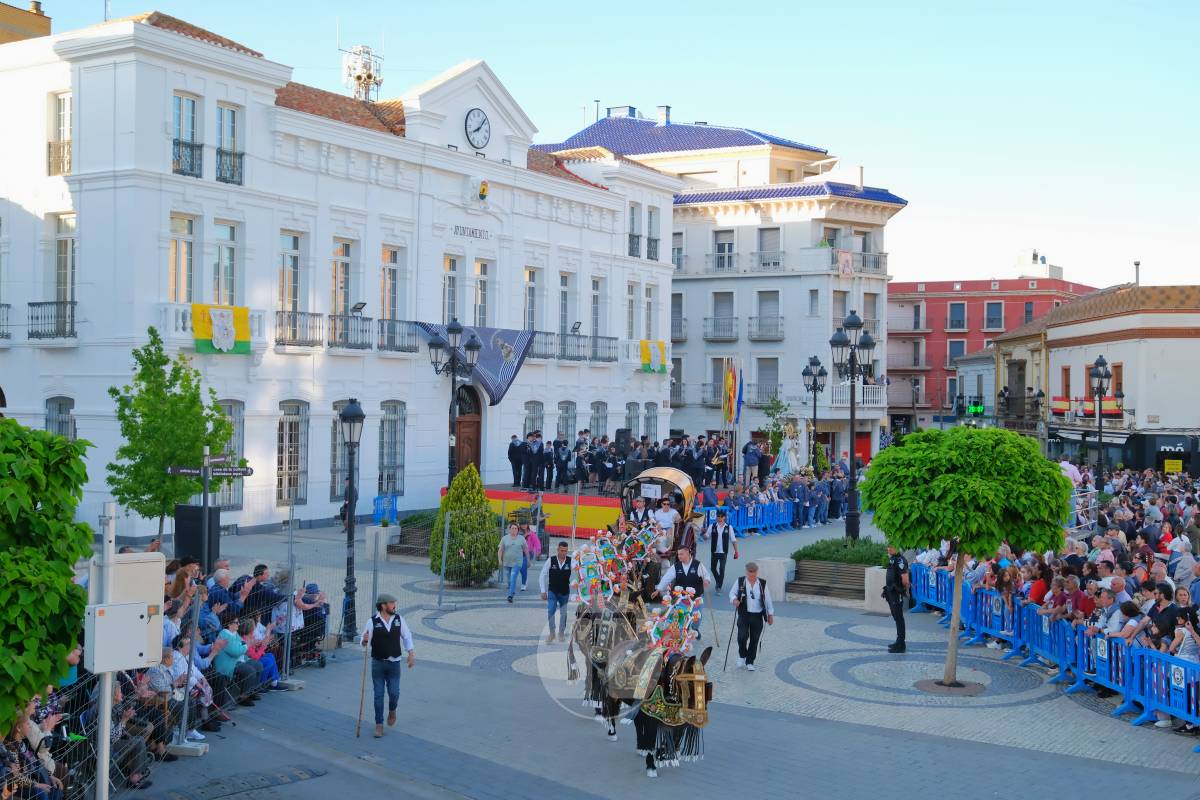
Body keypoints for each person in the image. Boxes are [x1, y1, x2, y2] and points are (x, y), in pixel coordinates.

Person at [359, 593, 415, 739]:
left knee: (394, 693)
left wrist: (411, 653)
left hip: (394, 664)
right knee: (378, 695)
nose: (394, 605)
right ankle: (379, 724)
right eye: (391, 603)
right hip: (378, 663)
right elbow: (364, 641)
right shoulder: (372, 621)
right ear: (383, 605)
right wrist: (364, 640)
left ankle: (392, 710)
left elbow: (407, 636)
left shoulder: (399, 619)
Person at [654, 547, 713, 639]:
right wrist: (658, 589)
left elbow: (706, 575)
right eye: (678, 554)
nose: (679, 556)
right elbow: (666, 578)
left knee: (697, 618)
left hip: (696, 598)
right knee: (681, 616)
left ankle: (695, 629)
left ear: (688, 554)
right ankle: (683, 632)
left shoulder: (698, 565)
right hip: (681, 598)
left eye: (681, 554)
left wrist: (706, 581)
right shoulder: (676, 566)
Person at [730, 562, 775, 671]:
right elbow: (732, 593)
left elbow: (768, 599)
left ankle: (750, 661)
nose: (752, 575)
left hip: (757, 615)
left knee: (754, 639)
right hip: (744, 614)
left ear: (757, 572)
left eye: (754, 573)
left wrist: (770, 614)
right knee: (742, 637)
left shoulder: (762, 583)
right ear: (746, 572)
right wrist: (734, 600)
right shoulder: (740, 581)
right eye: (750, 573)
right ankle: (742, 656)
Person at [539, 541, 572, 643]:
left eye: (565, 551)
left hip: (565, 591)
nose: (563, 553)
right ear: (557, 550)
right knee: (551, 611)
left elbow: (580, 571)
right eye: (562, 550)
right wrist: (543, 591)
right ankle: (552, 633)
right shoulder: (551, 560)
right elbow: (542, 575)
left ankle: (561, 632)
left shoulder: (571, 561)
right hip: (552, 591)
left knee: (563, 613)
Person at [705, 509, 739, 591]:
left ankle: (719, 586)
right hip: (714, 551)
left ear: (724, 517)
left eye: (721, 516)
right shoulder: (712, 526)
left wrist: (736, 552)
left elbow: (733, 540)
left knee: (722, 569)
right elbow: (706, 536)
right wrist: (704, 534)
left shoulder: (729, 527)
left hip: (723, 552)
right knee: (713, 568)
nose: (719, 518)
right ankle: (718, 581)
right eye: (718, 516)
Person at [884, 544, 909, 653]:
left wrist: (902, 590)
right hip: (890, 591)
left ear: (897, 548)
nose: (889, 549)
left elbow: (905, 578)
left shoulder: (900, 560)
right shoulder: (893, 559)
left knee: (899, 617)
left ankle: (901, 644)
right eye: (888, 546)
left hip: (896, 592)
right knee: (896, 616)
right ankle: (898, 642)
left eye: (891, 547)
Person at [497, 524, 529, 603]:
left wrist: (528, 560)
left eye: (515, 528)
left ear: (518, 530)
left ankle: (510, 595)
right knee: (509, 580)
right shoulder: (505, 538)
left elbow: (526, 550)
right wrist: (500, 560)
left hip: (517, 562)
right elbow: (500, 550)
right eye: (512, 528)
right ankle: (512, 589)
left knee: (513, 577)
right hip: (507, 562)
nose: (514, 530)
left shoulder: (521, 538)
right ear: (509, 529)